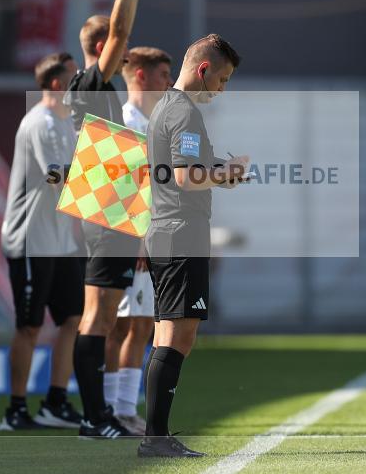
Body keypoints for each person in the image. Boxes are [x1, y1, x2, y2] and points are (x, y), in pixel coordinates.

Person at [139, 34, 246, 458]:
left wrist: (219, 168)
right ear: (203, 70)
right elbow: (185, 178)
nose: (221, 89)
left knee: (168, 334)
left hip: (167, 230)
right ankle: (156, 437)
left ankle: (155, 435)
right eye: (221, 79)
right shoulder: (184, 112)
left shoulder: (166, 105)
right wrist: (228, 173)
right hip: (181, 233)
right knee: (178, 337)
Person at [65, 0, 150, 439]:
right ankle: (96, 417)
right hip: (105, 206)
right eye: (115, 49)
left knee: (104, 316)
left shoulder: (99, 87)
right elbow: (119, 27)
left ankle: (98, 415)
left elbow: (119, 27)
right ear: (102, 50)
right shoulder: (93, 83)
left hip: (109, 204)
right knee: (98, 317)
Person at [0, 52, 85, 430]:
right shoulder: (41, 122)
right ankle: (16, 409)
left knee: (72, 318)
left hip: (60, 239)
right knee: (29, 326)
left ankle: (55, 401)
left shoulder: (66, 124)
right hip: (32, 238)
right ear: (55, 84)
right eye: (73, 78)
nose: (78, 85)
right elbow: (57, 179)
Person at [103, 47, 174, 435]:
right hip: (130, 240)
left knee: (140, 324)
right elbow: (119, 190)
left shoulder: (154, 122)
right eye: (163, 74)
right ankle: (112, 409)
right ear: (142, 77)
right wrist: (138, 239)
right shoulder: (126, 122)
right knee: (118, 325)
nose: (168, 82)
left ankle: (121, 409)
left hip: (150, 237)